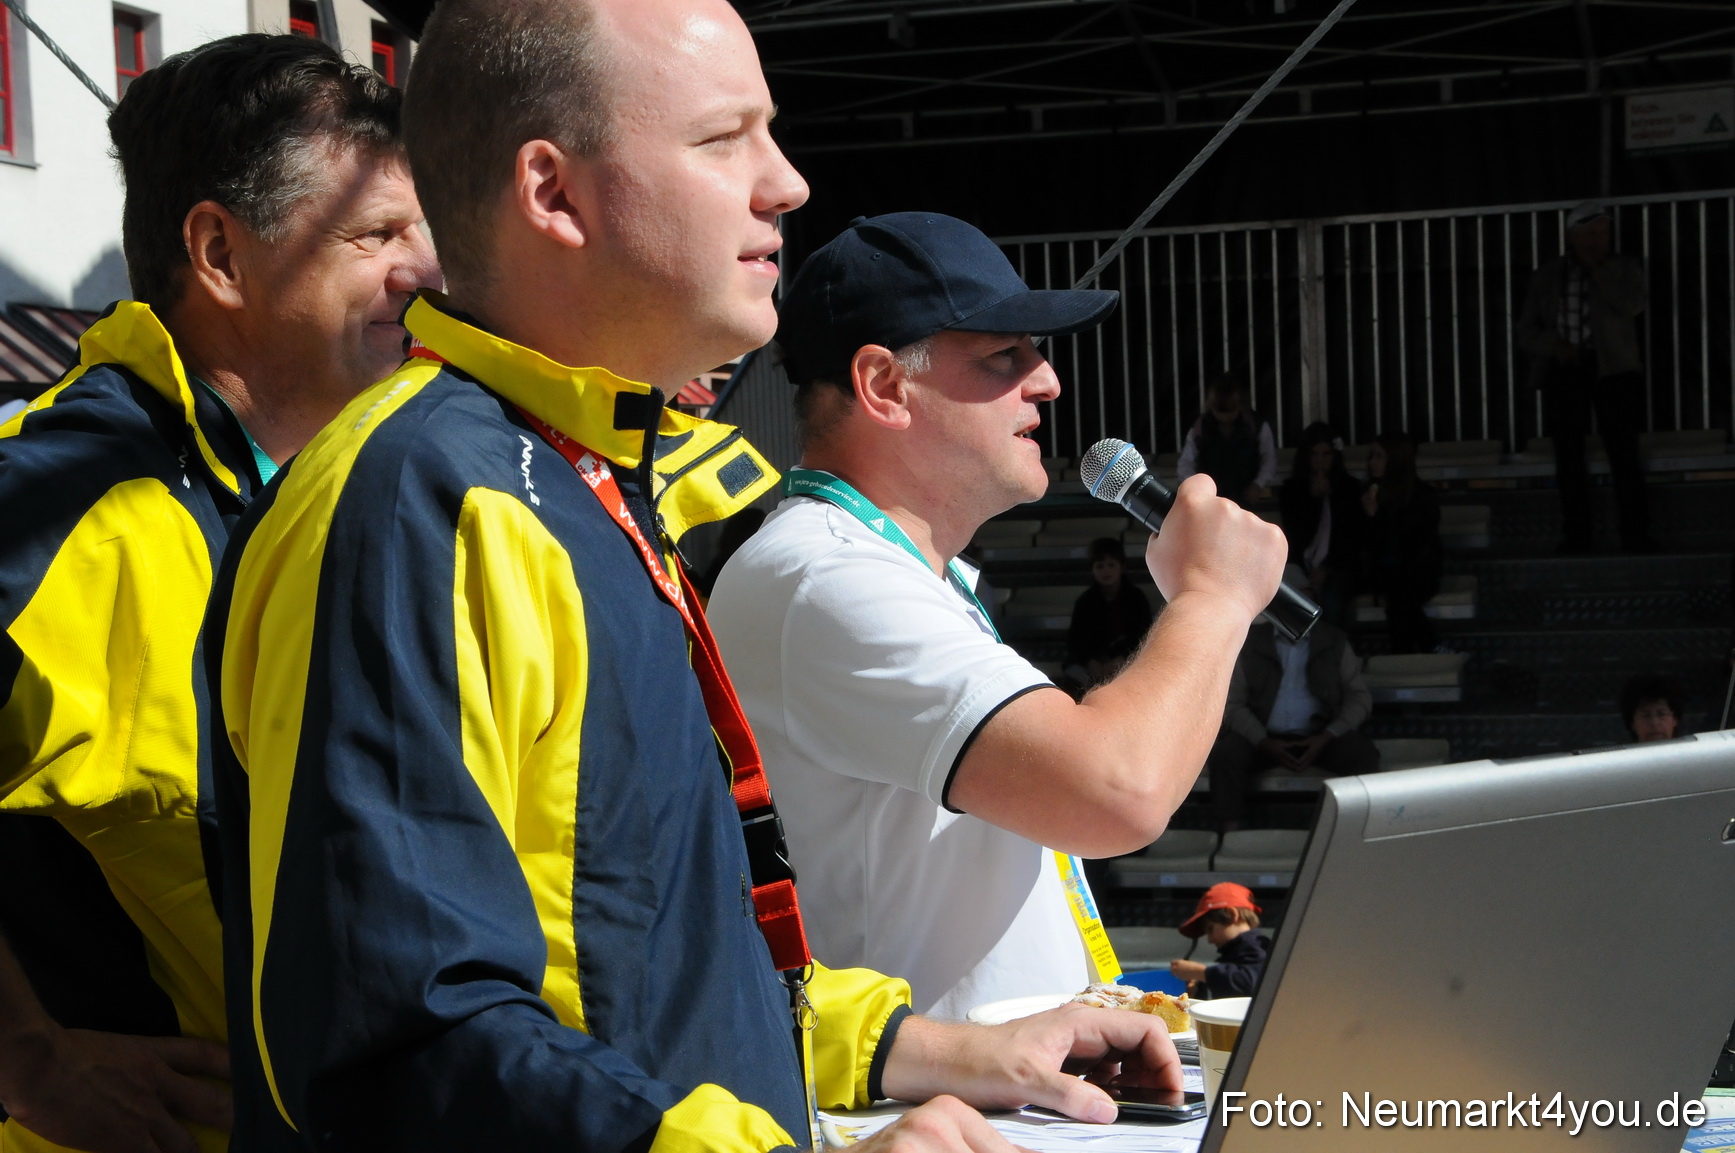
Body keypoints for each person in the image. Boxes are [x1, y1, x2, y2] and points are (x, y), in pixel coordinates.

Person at [209, 5, 1185, 1151]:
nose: (787, 183)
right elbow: (404, 1044)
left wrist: (926, 1046)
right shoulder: (421, 502)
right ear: (552, 194)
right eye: (726, 139)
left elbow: (660, 964)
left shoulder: (578, 482)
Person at [0, 34, 438, 1153]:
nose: (426, 271)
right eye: (380, 233)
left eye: (426, 233)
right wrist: (30, 1061)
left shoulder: (371, 485)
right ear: (220, 255)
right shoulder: (50, 498)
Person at [709, 211, 1288, 1019]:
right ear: (884, 385)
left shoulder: (868, 568)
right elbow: (1114, 790)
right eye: (1002, 355)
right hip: (925, 1126)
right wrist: (1214, 598)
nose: (1045, 379)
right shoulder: (825, 571)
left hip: (981, 1104)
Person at [1517, 201, 1654, 554]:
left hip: (1614, 369)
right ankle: (1577, 537)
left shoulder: (1624, 267)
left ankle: (1635, 537)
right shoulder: (1548, 276)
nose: (1599, 240)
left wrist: (1600, 270)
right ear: (1572, 236)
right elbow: (1525, 331)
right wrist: (1556, 344)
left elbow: (1632, 304)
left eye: (1603, 233)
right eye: (1590, 233)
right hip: (1567, 368)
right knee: (1569, 457)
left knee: (1624, 454)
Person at [1207, 597, 1378, 831]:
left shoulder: (1334, 642)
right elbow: (1233, 703)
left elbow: (1359, 697)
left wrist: (1327, 735)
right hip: (1262, 736)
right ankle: (1227, 834)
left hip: (1321, 736)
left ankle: (1357, 833)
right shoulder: (1250, 643)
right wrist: (1263, 741)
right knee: (1225, 756)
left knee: (1362, 754)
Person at [1361, 431, 1444, 654]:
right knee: (1398, 592)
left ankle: (1407, 652)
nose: (1372, 463)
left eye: (1379, 456)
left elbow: (1418, 544)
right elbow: (1370, 546)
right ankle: (1431, 647)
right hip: (1383, 570)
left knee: (1398, 598)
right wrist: (1373, 518)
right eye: (1372, 456)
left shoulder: (1423, 496)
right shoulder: (1369, 495)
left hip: (1416, 569)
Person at [1278, 421, 1364, 630]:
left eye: (1326, 454)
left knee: (1333, 600)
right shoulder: (1292, 491)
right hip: (1300, 564)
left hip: (1339, 566)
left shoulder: (1350, 489)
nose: (1320, 461)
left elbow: (1350, 537)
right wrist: (1313, 501)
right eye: (1315, 454)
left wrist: (1328, 568)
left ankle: (1331, 652)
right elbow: (1295, 536)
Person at [1176, 372, 1278, 507]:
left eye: (1230, 411)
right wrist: (1198, 489)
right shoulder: (1199, 428)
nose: (1225, 417)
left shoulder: (1258, 426)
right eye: (1219, 411)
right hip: (1211, 500)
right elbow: (1185, 464)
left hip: (1246, 498)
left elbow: (1269, 460)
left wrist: (1258, 484)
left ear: (1241, 405)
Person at [1064, 537, 1154, 690]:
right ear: (1092, 569)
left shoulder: (1136, 598)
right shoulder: (1085, 601)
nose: (1106, 571)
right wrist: (1091, 662)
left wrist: (1123, 658)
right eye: (1100, 566)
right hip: (1092, 664)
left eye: (1111, 565)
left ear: (1122, 567)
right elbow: (1076, 640)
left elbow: (1143, 634)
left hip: (1128, 659)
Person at [1167, 883, 1270, 1000]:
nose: (1210, 940)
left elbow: (1253, 983)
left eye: (1211, 929)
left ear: (1231, 914)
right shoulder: (1235, 952)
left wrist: (1201, 973)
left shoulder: (1258, 946)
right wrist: (1200, 985)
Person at [1619, 673, 1684, 742]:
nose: (1654, 722)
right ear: (1632, 723)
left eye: (1661, 714)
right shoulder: (1622, 753)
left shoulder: (1690, 752)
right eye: (1646, 716)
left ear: (1675, 719)